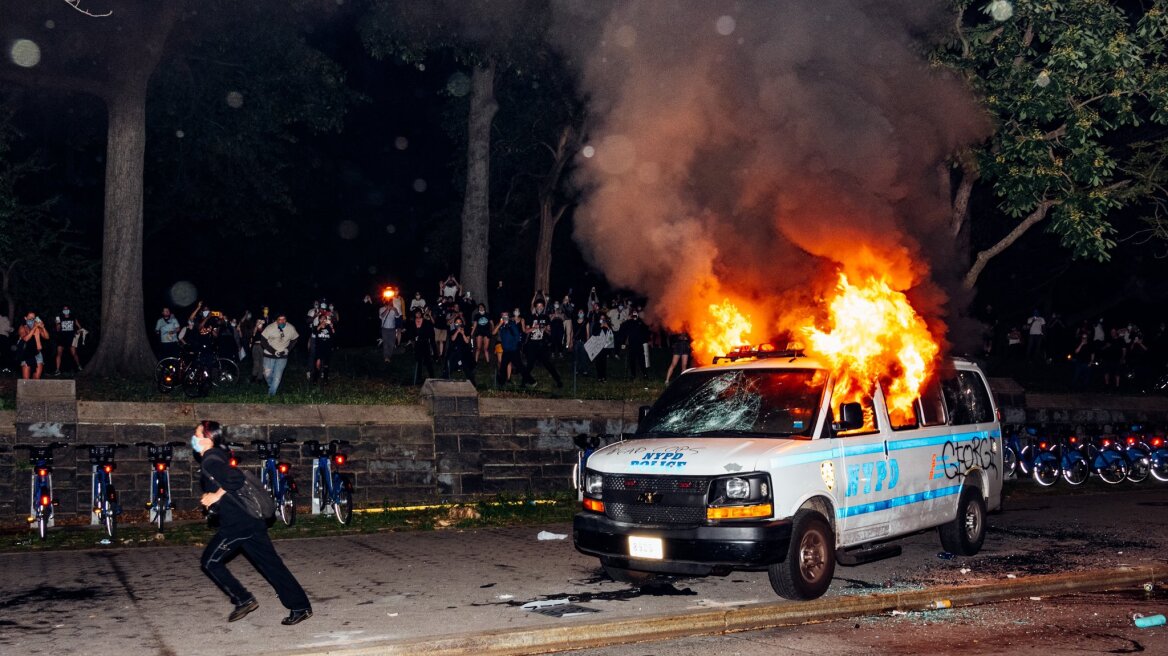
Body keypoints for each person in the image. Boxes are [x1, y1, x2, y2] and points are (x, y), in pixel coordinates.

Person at [193, 420, 312, 625]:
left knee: (210, 562)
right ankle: (300, 607)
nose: (193, 439)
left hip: (238, 523)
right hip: (250, 521)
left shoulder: (210, 460)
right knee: (271, 564)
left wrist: (214, 496)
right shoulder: (218, 455)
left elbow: (235, 480)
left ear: (207, 439)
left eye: (197, 435)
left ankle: (243, 599)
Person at [522, 302, 562, 387]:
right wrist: (534, 327)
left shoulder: (546, 317)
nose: (539, 308)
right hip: (532, 345)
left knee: (548, 364)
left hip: (541, 345)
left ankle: (558, 381)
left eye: (541, 306)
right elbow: (526, 331)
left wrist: (545, 330)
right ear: (535, 307)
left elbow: (549, 332)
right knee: (530, 364)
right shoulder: (531, 317)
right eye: (538, 306)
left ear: (543, 307)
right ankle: (523, 382)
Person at [259, 315, 298, 396]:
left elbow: (295, 339)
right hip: (269, 355)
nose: (282, 321)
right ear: (276, 320)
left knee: (277, 377)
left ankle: (271, 395)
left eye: (284, 319)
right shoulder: (270, 328)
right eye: (280, 319)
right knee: (267, 375)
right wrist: (273, 351)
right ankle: (272, 386)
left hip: (282, 356)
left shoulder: (291, 328)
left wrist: (288, 349)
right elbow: (263, 340)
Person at [494, 311, 524, 386]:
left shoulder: (511, 324)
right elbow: (493, 333)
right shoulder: (499, 324)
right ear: (501, 317)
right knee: (501, 362)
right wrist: (500, 324)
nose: (505, 317)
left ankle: (508, 378)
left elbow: (516, 335)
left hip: (509, 345)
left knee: (509, 362)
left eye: (506, 315)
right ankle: (501, 377)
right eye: (503, 315)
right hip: (500, 343)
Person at [406, 310, 436, 382]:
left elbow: (431, 330)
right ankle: (418, 377)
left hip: (425, 342)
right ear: (414, 314)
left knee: (428, 360)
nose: (418, 314)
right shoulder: (412, 323)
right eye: (417, 313)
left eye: (419, 313)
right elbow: (411, 333)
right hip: (417, 344)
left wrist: (427, 338)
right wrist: (413, 339)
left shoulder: (426, 322)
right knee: (418, 361)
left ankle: (432, 376)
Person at [17, 312, 49, 380]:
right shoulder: (22, 327)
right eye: (30, 318)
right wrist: (34, 328)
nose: (32, 319)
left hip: (38, 353)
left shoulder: (38, 327)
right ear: (25, 318)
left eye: (33, 318)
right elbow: (26, 338)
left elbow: (47, 337)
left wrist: (43, 328)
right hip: (26, 354)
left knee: (36, 378)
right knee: (26, 380)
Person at [53, 305, 83, 375]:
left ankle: (79, 366)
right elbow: (57, 329)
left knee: (74, 353)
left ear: (69, 310)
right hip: (61, 338)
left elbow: (79, 326)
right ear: (62, 311)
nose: (66, 310)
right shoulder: (59, 318)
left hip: (71, 338)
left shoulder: (73, 317)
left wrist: (80, 330)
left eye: (67, 309)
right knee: (59, 353)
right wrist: (57, 324)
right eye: (64, 309)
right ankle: (57, 370)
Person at [311, 309, 336, 384]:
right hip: (319, 349)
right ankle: (315, 380)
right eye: (322, 318)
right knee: (317, 365)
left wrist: (331, 326)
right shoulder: (316, 326)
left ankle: (325, 380)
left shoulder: (329, 327)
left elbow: (334, 335)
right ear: (319, 319)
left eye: (325, 319)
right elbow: (315, 332)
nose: (323, 320)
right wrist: (321, 325)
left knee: (326, 366)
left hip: (327, 349)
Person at [378, 296, 400, 363]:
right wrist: (387, 309)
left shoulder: (394, 309)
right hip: (385, 329)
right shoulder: (381, 309)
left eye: (391, 302)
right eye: (389, 302)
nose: (390, 303)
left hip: (392, 329)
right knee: (385, 343)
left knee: (392, 343)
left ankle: (389, 356)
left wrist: (395, 310)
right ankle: (386, 357)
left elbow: (397, 316)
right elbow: (381, 316)